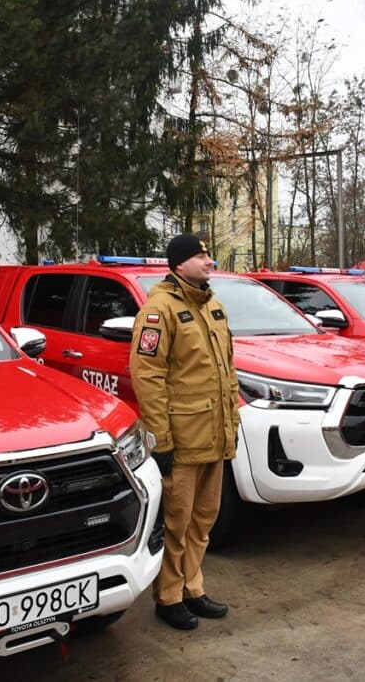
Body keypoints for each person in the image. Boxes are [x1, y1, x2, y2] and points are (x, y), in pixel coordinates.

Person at [129, 233, 240, 631]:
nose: (209, 261)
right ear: (178, 264)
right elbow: (147, 377)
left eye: (209, 254)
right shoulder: (160, 311)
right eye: (200, 255)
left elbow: (228, 372)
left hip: (214, 435)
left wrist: (233, 426)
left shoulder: (213, 306)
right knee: (177, 521)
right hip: (183, 438)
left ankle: (194, 587)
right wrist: (161, 440)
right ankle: (170, 597)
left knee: (204, 519)